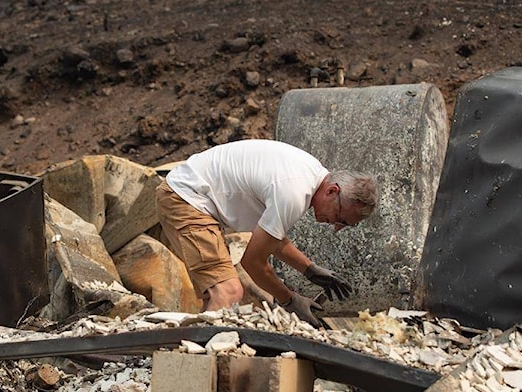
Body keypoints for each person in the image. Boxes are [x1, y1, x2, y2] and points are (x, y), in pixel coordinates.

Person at [156, 139, 378, 327]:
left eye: (345, 225)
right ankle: (198, 371)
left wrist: (310, 270)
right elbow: (253, 262)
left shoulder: (309, 173)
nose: (337, 227)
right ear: (332, 191)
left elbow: (272, 239)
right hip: (187, 198)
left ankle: (194, 359)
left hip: (190, 194)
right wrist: (290, 301)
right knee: (228, 291)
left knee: (216, 295)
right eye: (341, 218)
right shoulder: (293, 193)